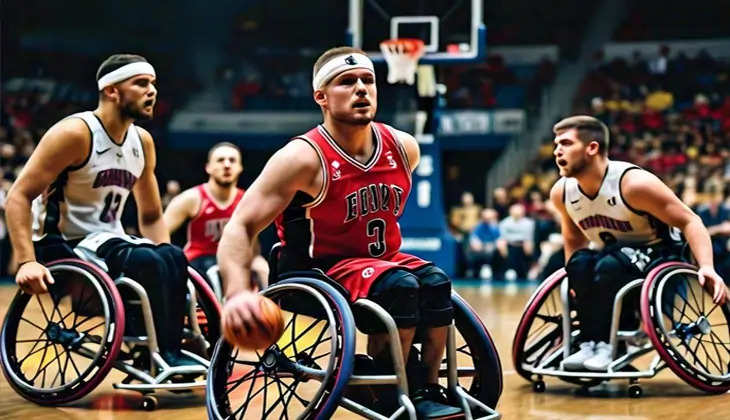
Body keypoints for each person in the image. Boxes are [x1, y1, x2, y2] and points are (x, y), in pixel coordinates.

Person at [218, 46, 462, 418]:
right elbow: (240, 225)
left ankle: (426, 387)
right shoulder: (300, 158)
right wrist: (236, 293)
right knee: (400, 286)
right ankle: (387, 388)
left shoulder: (404, 147)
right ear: (322, 97)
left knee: (436, 280)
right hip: (319, 268)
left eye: (368, 80)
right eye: (347, 82)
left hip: (381, 262)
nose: (361, 88)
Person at [5, 54, 197, 367]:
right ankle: (163, 352)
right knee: (146, 259)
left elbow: (149, 216)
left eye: (153, 84)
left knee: (173, 257)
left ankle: (168, 347)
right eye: (141, 84)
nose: (152, 91)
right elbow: (18, 195)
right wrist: (26, 261)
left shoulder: (142, 141)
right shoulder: (75, 134)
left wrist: (168, 259)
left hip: (107, 240)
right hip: (61, 241)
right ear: (111, 91)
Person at [550, 115, 727, 371]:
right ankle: (591, 343)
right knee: (578, 263)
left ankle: (612, 345)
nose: (557, 151)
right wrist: (578, 282)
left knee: (611, 265)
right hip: (612, 254)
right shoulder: (562, 192)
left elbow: (691, 221)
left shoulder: (633, 184)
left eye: (565, 143)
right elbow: (573, 239)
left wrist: (707, 267)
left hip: (660, 253)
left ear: (592, 148)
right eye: (556, 145)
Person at [163, 142, 268, 291]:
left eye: (232, 160)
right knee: (211, 269)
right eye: (220, 160)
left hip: (233, 259)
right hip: (198, 260)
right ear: (208, 168)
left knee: (261, 266)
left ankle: (266, 310)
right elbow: (160, 232)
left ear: (240, 168)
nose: (226, 165)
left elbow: (253, 245)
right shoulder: (192, 198)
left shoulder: (246, 200)